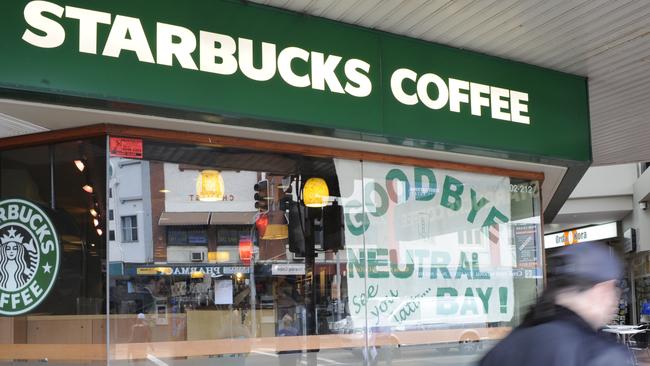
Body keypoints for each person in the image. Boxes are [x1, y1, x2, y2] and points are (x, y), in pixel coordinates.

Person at [480, 243, 633, 366]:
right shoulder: (600, 354)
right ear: (603, 289)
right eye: (616, 288)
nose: (616, 299)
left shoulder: (506, 347)